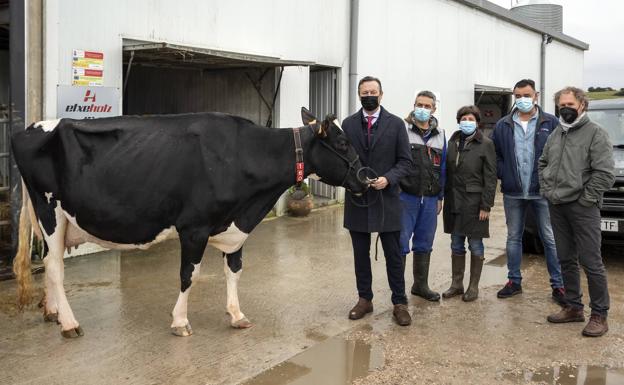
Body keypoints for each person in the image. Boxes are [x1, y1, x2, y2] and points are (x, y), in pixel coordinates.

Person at [539, 86, 615, 337]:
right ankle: (573, 307)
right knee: (565, 259)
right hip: (557, 205)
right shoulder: (557, 133)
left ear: (582, 105)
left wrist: (586, 199)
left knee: (591, 262)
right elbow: (544, 163)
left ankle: (599, 314)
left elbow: (605, 173)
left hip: (582, 208)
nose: (565, 109)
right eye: (562, 105)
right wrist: (548, 190)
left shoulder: (596, 133)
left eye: (570, 104)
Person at [341, 76, 414, 326]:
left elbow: (405, 162)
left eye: (373, 91)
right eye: (364, 92)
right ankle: (365, 299)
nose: (369, 95)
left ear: (381, 95)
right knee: (360, 254)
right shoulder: (348, 125)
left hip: (387, 199)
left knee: (394, 255)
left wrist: (388, 179)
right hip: (358, 199)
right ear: (359, 95)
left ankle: (399, 302)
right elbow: (343, 160)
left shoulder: (395, 125)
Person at [491, 79, 565, 304]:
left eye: (527, 95)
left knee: (550, 238)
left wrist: (550, 179)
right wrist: (504, 173)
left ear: (536, 95)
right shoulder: (503, 124)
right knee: (514, 237)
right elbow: (496, 155)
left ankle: (559, 285)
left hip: (542, 192)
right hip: (513, 192)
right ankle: (514, 281)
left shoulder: (550, 122)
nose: (522, 99)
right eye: (518, 96)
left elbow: (560, 154)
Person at [442, 106, 496, 302]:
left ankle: (473, 287)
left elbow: (490, 178)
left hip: (475, 203)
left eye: (471, 118)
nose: (467, 121)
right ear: (459, 121)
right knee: (456, 243)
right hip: (454, 202)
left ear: (477, 122)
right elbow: (447, 172)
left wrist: (486, 205)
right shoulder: (453, 142)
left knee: (475, 243)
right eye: (464, 118)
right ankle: (457, 284)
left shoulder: (486, 144)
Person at [399, 90, 447, 302]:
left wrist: (440, 196)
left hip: (429, 198)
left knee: (424, 242)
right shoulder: (402, 130)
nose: (422, 109)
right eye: (419, 104)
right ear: (414, 104)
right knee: (400, 242)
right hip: (405, 196)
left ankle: (420, 285)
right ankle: (398, 289)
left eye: (427, 106)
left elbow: (443, 168)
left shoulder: (441, 135)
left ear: (434, 109)